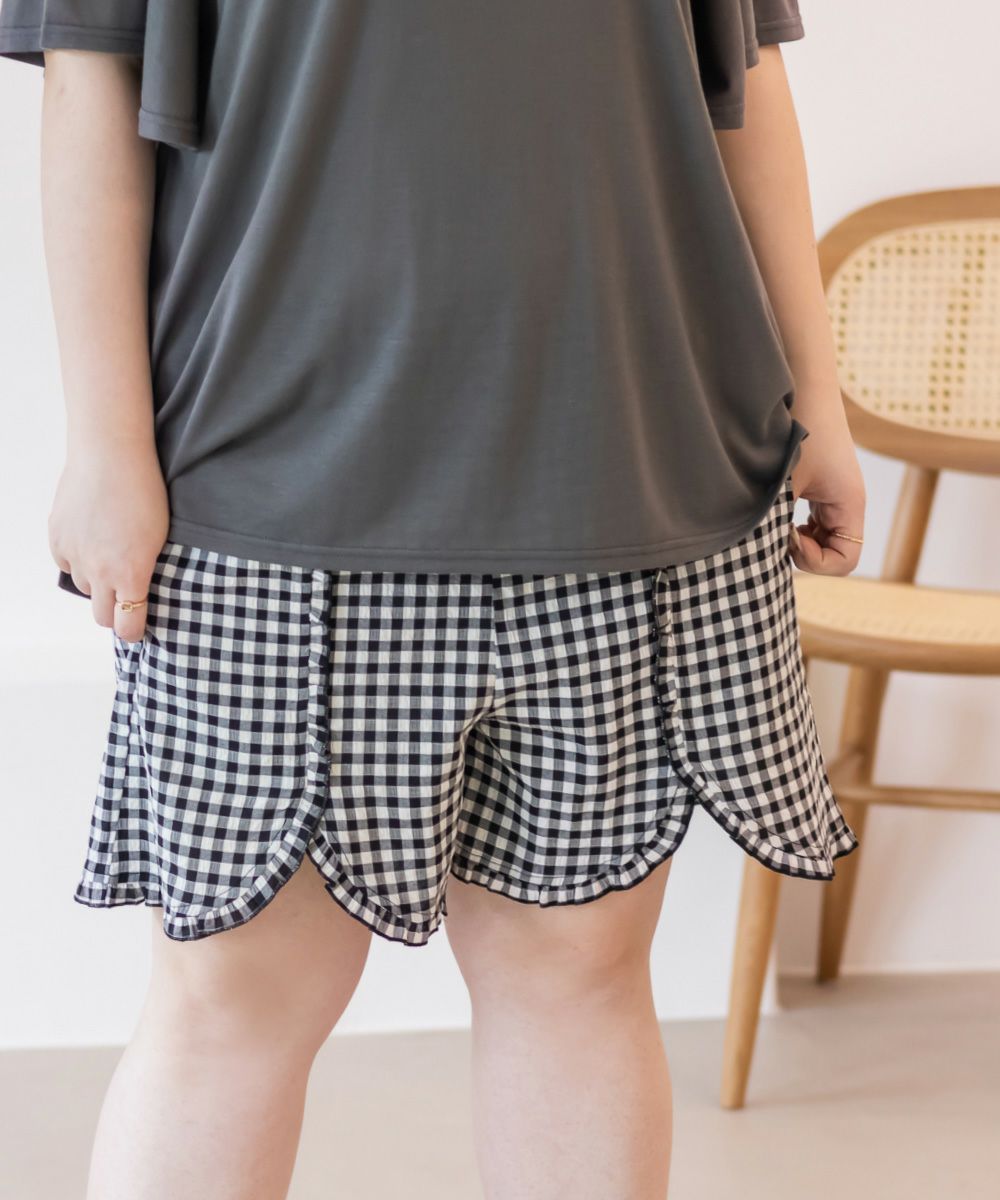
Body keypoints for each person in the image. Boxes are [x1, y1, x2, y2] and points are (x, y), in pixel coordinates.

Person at [0, 1, 864, 1196]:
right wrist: (103, 442)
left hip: (634, 466)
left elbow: (742, 73)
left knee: (578, 973)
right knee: (236, 997)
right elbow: (90, 74)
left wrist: (817, 393)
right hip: (274, 492)